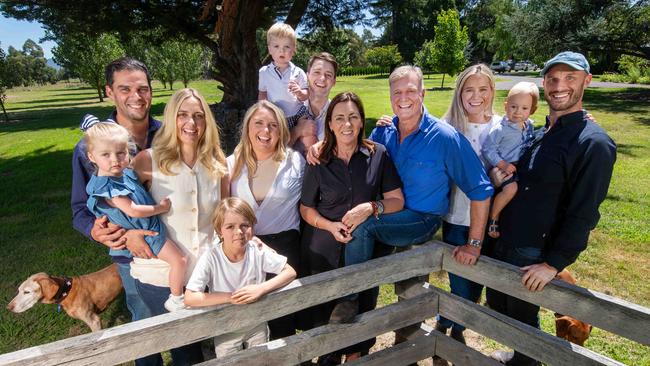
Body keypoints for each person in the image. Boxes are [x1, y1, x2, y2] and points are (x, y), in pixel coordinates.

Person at [308, 66, 493, 323]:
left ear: (423, 94)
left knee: (366, 232)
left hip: (421, 219)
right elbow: (357, 147)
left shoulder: (444, 137)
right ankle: (358, 335)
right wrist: (322, 143)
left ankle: (350, 300)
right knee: (367, 257)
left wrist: (473, 245)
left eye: (410, 91)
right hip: (389, 216)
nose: (403, 98)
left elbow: (481, 189)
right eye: (397, 92)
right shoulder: (384, 131)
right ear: (391, 96)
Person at [486, 51, 616, 366]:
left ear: (587, 81)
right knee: (501, 308)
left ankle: (527, 361)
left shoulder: (593, 143)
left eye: (570, 78)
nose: (560, 86)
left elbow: (584, 213)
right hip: (506, 239)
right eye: (553, 79)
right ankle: (520, 356)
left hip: (533, 251)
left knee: (521, 315)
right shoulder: (541, 133)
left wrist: (553, 263)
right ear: (544, 83)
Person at [300, 91, 404, 363]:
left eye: (353, 117)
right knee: (325, 323)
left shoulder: (377, 154)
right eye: (340, 118)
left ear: (361, 122)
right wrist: (329, 226)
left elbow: (396, 200)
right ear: (330, 124)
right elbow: (305, 207)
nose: (347, 124)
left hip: (365, 253)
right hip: (323, 252)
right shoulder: (318, 158)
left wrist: (371, 207)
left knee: (361, 317)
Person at [70, 57, 162, 365]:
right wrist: (95, 230)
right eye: (125, 89)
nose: (136, 96)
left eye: (143, 88)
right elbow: (80, 209)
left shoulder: (168, 136)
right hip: (129, 254)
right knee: (145, 325)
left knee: (183, 317)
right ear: (110, 92)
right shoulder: (89, 149)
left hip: (175, 242)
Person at [130, 87, 229, 365]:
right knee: (170, 343)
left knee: (191, 349)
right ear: (172, 117)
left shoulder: (217, 162)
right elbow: (117, 203)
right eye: (183, 115)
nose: (191, 123)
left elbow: (223, 216)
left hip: (202, 273)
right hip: (159, 274)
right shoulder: (148, 160)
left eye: (198, 116)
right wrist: (129, 233)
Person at [84, 122, 187, 312]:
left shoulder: (122, 175)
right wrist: (160, 207)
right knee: (179, 260)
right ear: (91, 156)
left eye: (121, 153)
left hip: (145, 228)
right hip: (147, 233)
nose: (115, 160)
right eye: (106, 155)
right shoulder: (109, 188)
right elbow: (134, 210)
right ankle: (176, 297)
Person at [434, 64, 501, 345]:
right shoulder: (447, 126)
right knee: (460, 283)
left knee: (476, 287)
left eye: (483, 89)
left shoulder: (502, 126)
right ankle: (446, 330)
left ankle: (454, 326)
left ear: (492, 92)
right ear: (459, 93)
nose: (476, 96)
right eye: (469, 89)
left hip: (492, 222)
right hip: (456, 217)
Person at [227, 100, 304, 339]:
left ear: (281, 130)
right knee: (248, 323)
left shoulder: (295, 162)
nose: (265, 130)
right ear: (247, 127)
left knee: (283, 320)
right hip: (243, 250)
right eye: (258, 123)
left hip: (284, 250)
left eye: (273, 125)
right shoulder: (231, 164)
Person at [184, 197, 297, 358]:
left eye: (245, 225)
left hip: (257, 324)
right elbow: (190, 297)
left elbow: (290, 271)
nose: (239, 232)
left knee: (260, 360)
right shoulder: (211, 257)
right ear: (219, 231)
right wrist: (230, 297)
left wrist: (261, 288)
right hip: (226, 329)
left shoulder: (256, 251)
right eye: (230, 226)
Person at [482, 82, 538, 238]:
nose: (518, 112)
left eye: (524, 108)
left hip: (517, 168)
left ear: (532, 110)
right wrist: (502, 164)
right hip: (502, 167)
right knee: (511, 189)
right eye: (513, 107)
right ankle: (493, 218)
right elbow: (488, 149)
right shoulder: (501, 129)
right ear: (506, 106)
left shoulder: (529, 127)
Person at [258, 23, 310, 148]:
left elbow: (306, 95)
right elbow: (262, 94)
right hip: (277, 116)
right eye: (276, 46)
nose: (282, 50)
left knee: (309, 131)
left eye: (287, 46)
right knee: (281, 143)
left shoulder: (298, 72)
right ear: (269, 49)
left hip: (298, 113)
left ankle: (311, 155)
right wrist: (262, 110)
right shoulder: (264, 72)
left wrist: (299, 92)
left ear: (294, 50)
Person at [289, 52, 337, 154]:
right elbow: (272, 150)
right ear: (307, 76)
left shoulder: (337, 114)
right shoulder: (290, 108)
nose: (322, 78)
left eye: (328, 75)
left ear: (334, 82)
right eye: (317, 72)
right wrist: (298, 130)